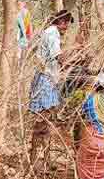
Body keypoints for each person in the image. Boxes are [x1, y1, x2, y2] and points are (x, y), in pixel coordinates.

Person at [28, 9, 73, 168]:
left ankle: (44, 160)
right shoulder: (53, 34)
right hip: (45, 81)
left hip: (47, 80)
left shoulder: (49, 32)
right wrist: (73, 61)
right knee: (43, 121)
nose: (66, 28)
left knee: (47, 123)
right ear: (62, 22)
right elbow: (58, 56)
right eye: (66, 25)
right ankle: (34, 161)